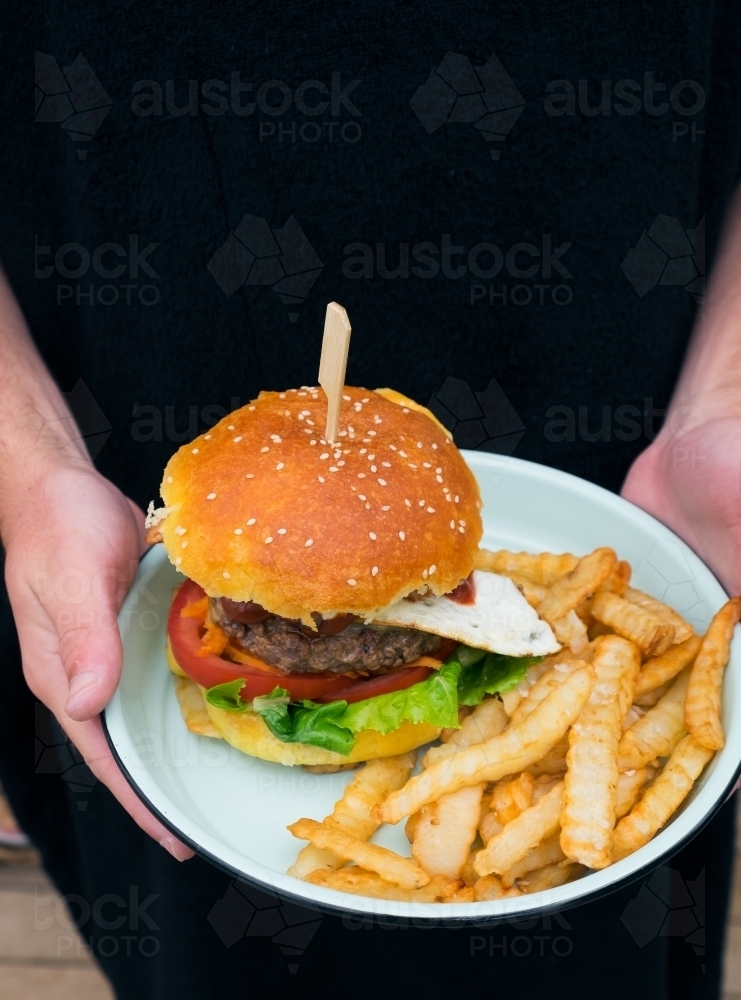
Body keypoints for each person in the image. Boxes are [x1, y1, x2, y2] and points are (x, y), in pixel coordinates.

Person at [1, 3, 740, 997]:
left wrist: (725, 398)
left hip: (635, 394)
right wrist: (32, 470)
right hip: (116, 402)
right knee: (207, 951)